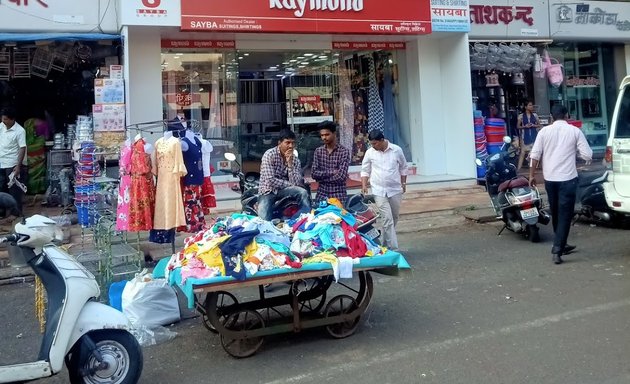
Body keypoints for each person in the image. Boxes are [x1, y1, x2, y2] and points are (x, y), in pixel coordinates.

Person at [529, 104, 592, 265]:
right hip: (568, 178)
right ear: (566, 115)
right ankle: (557, 250)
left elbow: (535, 155)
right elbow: (587, 154)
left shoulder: (544, 131)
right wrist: (576, 154)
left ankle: (562, 244)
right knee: (565, 214)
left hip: (550, 179)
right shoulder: (574, 131)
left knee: (556, 212)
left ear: (552, 116)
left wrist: (531, 175)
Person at [361, 130, 408, 250]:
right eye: (371, 144)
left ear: (382, 141)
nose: (373, 146)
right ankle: (394, 249)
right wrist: (364, 185)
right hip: (378, 190)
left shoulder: (396, 150)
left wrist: (403, 183)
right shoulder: (370, 153)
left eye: (375, 144)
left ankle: (385, 244)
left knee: (394, 217)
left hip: (395, 189)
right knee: (387, 218)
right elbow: (365, 170)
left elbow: (403, 167)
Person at [258, 129, 311, 221]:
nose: (290, 146)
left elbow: (296, 183)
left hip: (285, 190)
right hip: (268, 191)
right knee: (263, 219)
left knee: (303, 192)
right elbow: (270, 180)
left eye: (293, 143)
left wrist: (290, 164)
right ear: (280, 143)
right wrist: (290, 184)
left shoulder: (295, 159)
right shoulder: (269, 154)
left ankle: (304, 219)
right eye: (287, 143)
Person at [311, 121, 351, 204]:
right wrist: (332, 172)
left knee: (338, 217)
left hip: (338, 194)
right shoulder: (318, 151)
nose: (324, 138)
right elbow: (314, 174)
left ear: (334, 133)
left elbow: (341, 177)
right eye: (322, 135)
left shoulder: (344, 152)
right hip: (322, 194)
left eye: (327, 135)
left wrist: (321, 179)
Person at [0, 107, 27, 219]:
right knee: (1, 189)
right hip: (1, 162)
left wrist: (18, 166)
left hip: (12, 164)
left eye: (6, 119)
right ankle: (2, 212)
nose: (3, 121)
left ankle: (15, 214)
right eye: (2, 119)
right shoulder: (1, 126)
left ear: (12, 119)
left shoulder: (20, 131)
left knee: (14, 190)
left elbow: (22, 148)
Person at [517, 100, 541, 170]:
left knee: (534, 153)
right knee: (522, 152)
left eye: (532, 105)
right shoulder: (521, 116)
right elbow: (518, 126)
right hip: (525, 137)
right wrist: (525, 126)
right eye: (530, 105)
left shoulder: (535, 115)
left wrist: (533, 125)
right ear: (525, 107)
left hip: (534, 136)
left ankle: (534, 169)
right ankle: (518, 169)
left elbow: (539, 125)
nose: (532, 107)